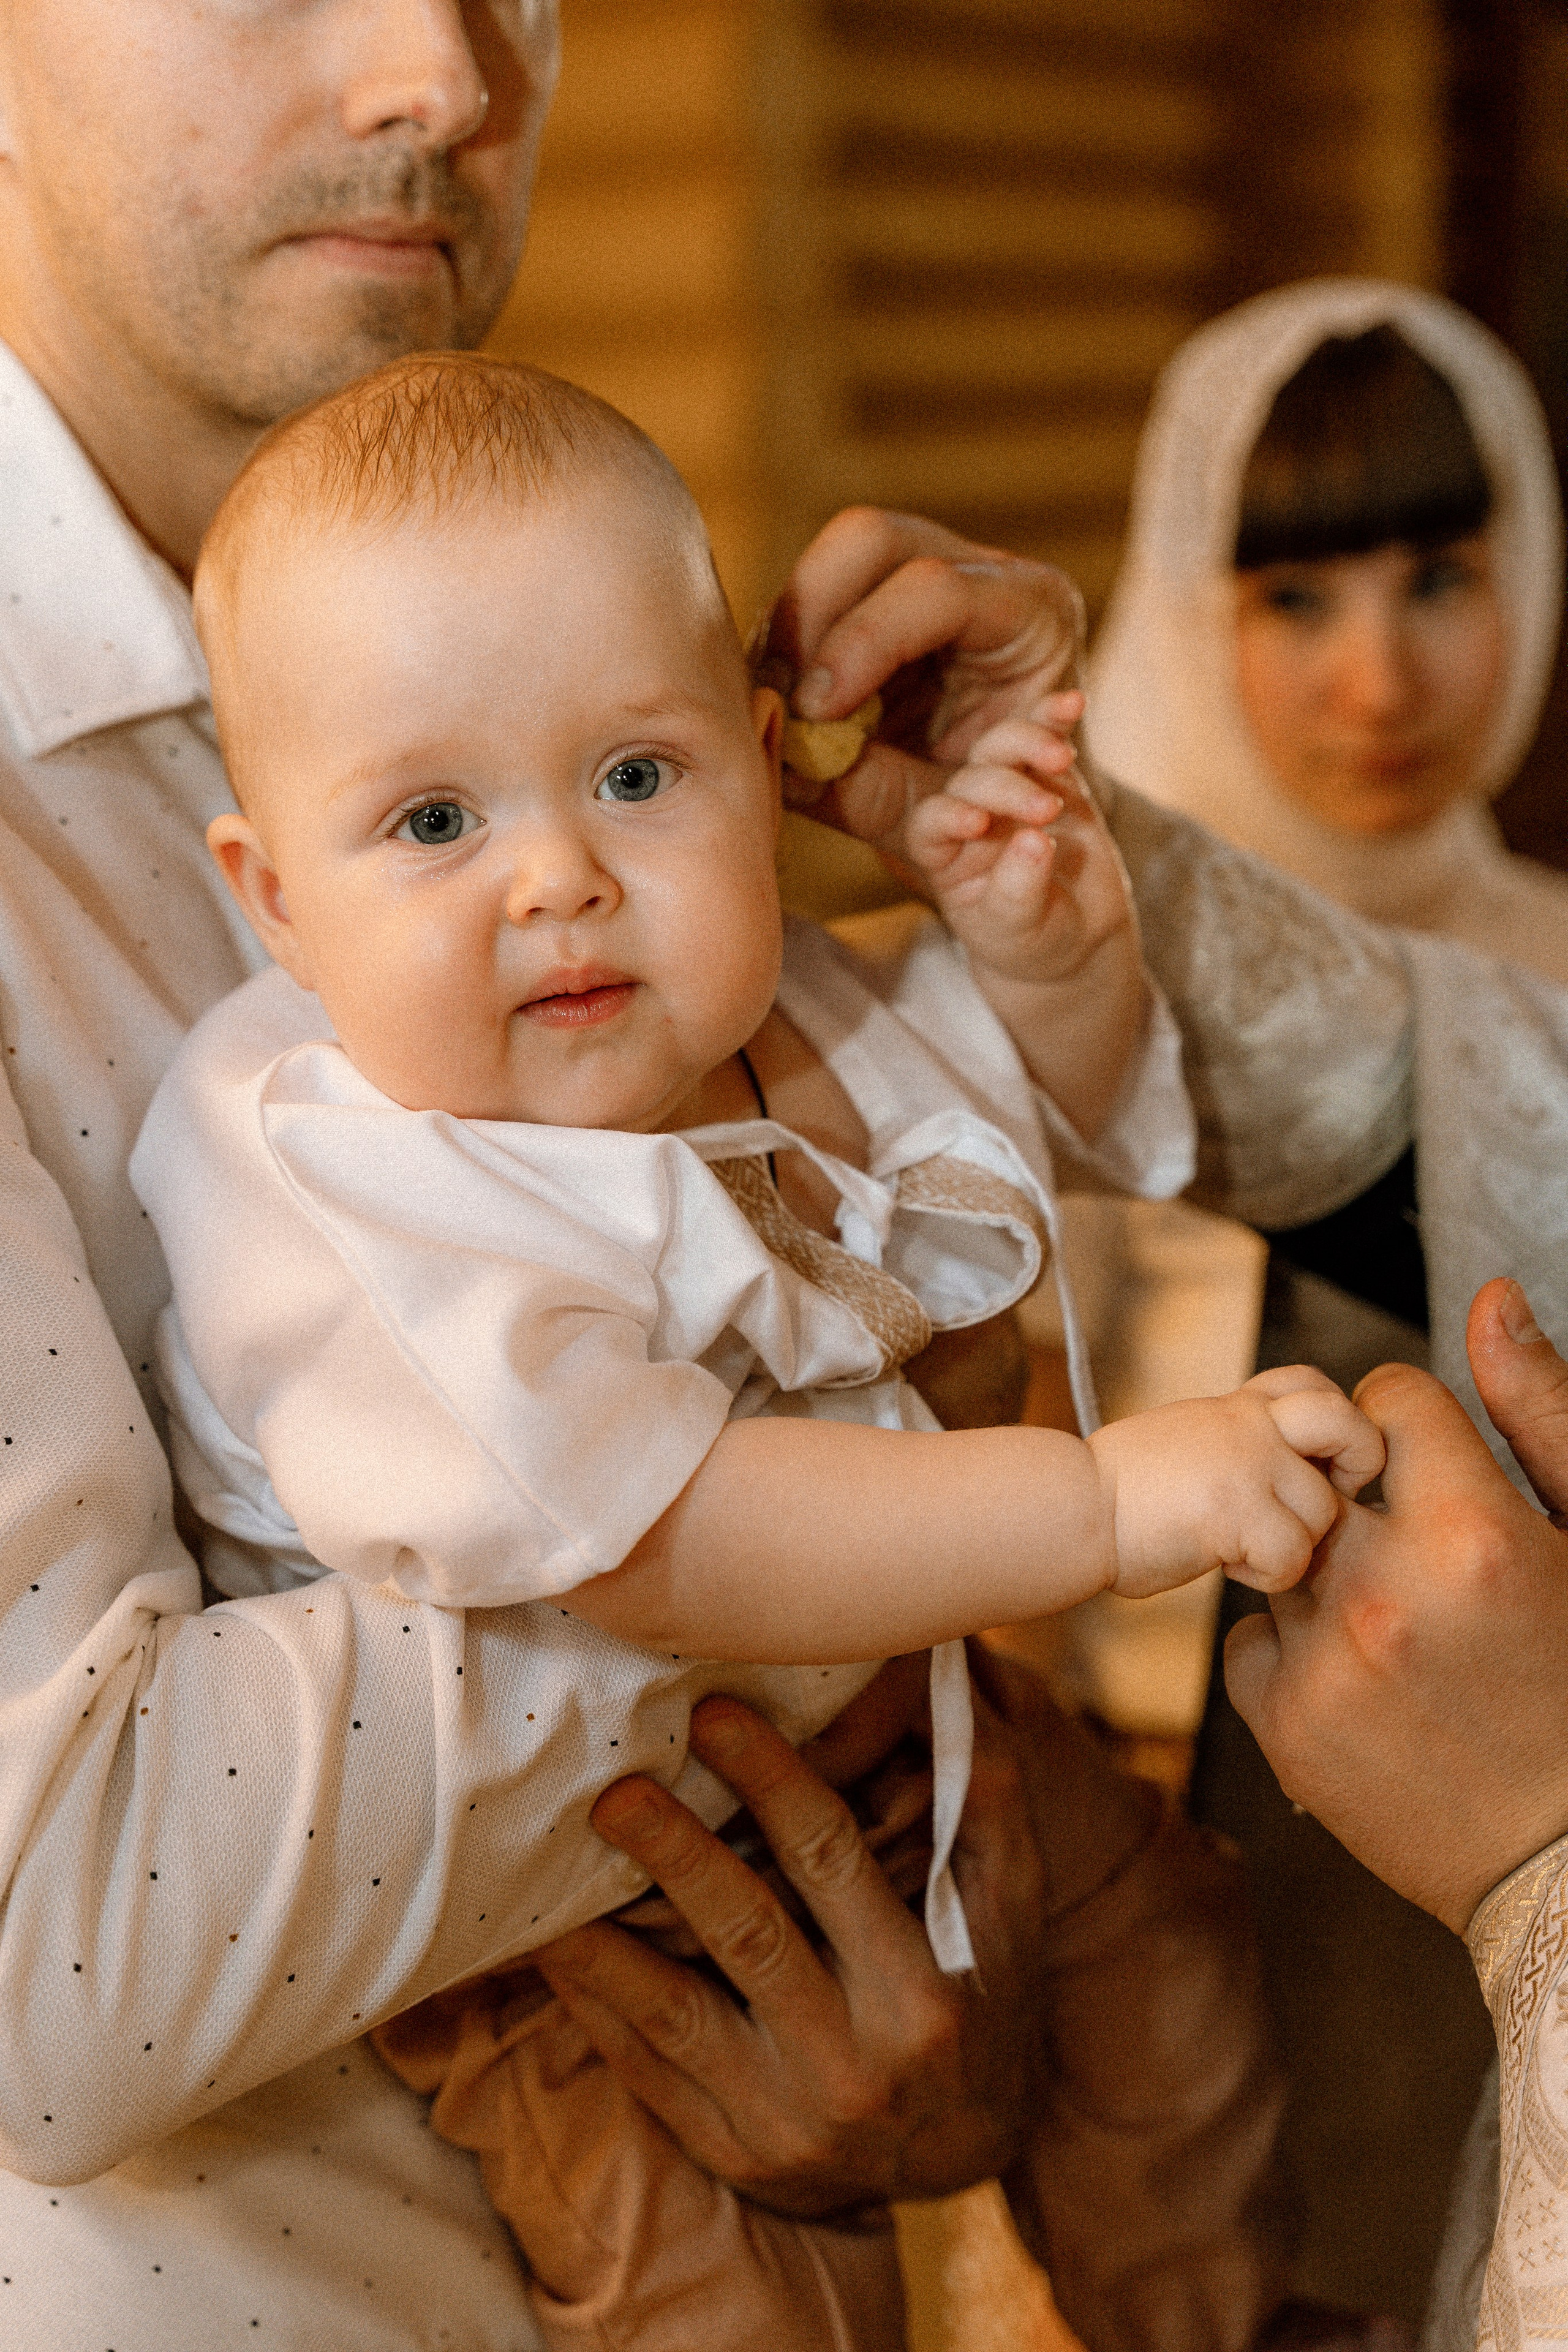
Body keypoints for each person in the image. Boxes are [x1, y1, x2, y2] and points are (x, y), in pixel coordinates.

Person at [0, 6, 1307, 2346]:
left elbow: (1029, 1138)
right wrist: (890, 1521)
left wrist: (1046, 895)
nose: (446, 72)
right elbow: (54, 1956)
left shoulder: (550, 595)